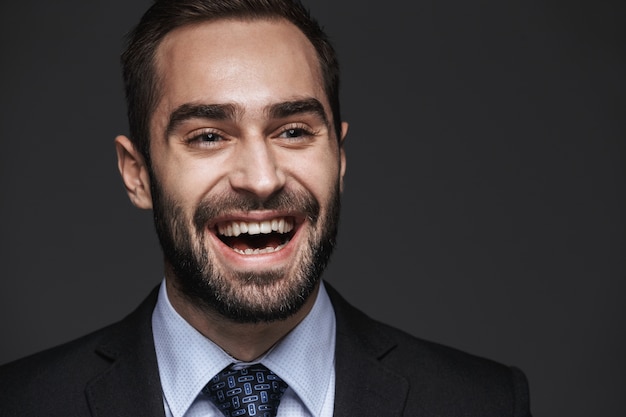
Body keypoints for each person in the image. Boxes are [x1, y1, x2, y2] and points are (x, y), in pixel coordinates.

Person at [0, 0, 532, 416]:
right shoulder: (22, 404)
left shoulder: (482, 403)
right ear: (137, 173)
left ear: (339, 157)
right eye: (208, 136)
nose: (261, 179)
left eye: (295, 131)